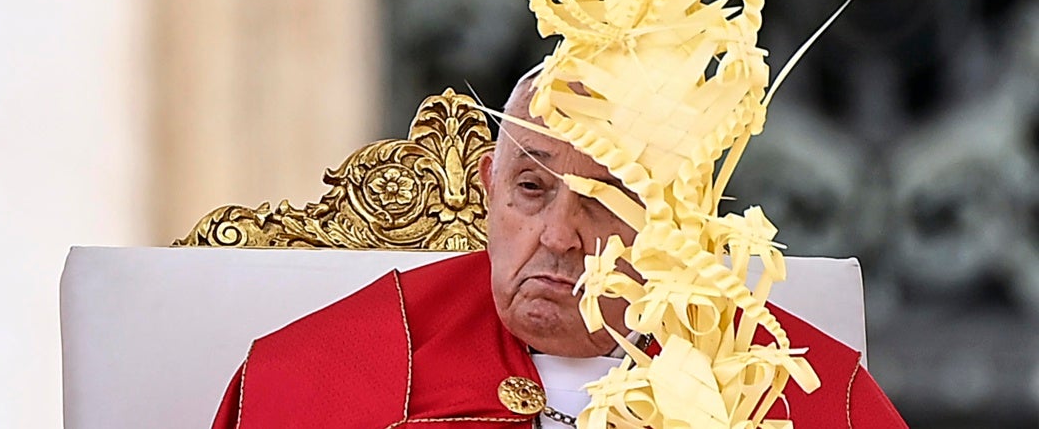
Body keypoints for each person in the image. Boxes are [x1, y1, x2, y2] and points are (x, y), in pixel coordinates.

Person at [211, 75, 907, 428]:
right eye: (531, 187)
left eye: (606, 200)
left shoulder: (797, 391)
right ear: (487, 186)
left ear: (678, 220)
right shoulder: (326, 375)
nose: (558, 235)